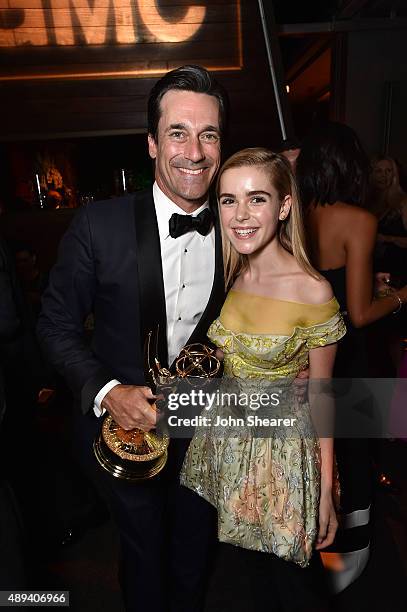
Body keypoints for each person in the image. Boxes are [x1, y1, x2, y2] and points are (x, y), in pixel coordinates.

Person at [37, 65, 228, 612]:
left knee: (194, 556)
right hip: (125, 436)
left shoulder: (241, 229)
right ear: (151, 143)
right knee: (145, 555)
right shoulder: (100, 225)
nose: (195, 151)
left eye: (209, 134)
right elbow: (54, 324)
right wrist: (106, 391)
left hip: (206, 433)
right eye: (178, 133)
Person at [181, 148, 346, 612]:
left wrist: (327, 491)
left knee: (294, 590)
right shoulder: (234, 271)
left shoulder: (313, 290)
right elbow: (230, 355)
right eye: (229, 200)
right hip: (230, 447)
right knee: (252, 581)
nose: (240, 215)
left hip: (283, 459)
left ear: (285, 205)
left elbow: (323, 393)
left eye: (257, 199)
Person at [296, 122, 407, 592]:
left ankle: (312, 547)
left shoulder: (294, 213)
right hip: (350, 354)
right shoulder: (358, 220)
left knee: (320, 454)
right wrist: (401, 296)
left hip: (304, 351)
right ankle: (348, 565)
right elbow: (359, 314)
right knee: (358, 457)